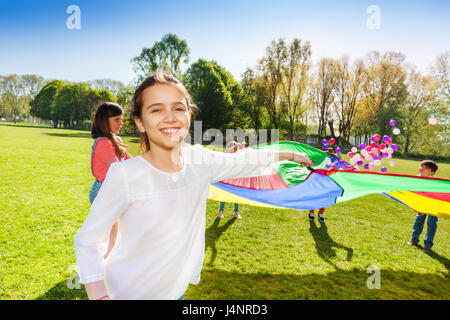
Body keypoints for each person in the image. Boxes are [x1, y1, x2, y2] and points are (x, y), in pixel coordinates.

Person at [74, 71, 314, 300]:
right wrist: (99, 295)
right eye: (156, 109)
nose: (170, 117)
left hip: (175, 290)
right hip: (129, 292)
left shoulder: (201, 161)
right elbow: (88, 239)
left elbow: (243, 161)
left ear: (189, 114)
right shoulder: (125, 174)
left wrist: (290, 155)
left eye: (178, 108)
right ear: (140, 122)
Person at [89, 102, 132, 259]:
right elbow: (116, 168)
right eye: (117, 119)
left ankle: (109, 259)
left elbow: (129, 161)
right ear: (105, 120)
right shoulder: (103, 143)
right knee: (109, 230)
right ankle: (106, 261)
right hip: (103, 191)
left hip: (115, 189)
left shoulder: (116, 139)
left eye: (121, 119)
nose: (121, 123)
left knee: (116, 228)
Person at [407, 160, 439, 253]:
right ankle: (414, 240)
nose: (422, 169)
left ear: (432, 172)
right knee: (418, 221)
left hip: (433, 205)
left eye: (425, 168)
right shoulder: (416, 179)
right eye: (421, 166)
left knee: (432, 223)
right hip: (421, 204)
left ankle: (428, 245)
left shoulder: (435, 182)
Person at [218, 141, 246, 220]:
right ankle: (221, 212)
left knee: (236, 195)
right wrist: (236, 145)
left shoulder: (236, 156)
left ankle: (236, 213)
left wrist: (241, 146)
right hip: (226, 179)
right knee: (223, 196)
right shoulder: (226, 155)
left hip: (235, 178)